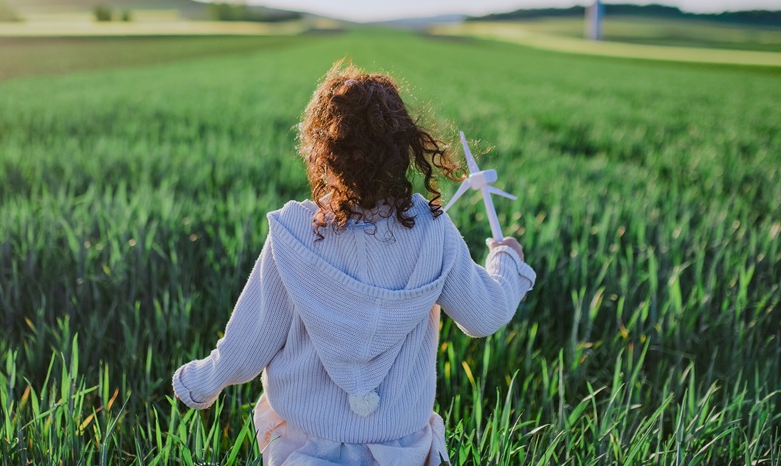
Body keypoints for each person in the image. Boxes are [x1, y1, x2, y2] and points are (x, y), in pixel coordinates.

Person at [172, 61, 536, 465]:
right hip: (400, 449)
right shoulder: (432, 231)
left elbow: (246, 346)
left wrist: (201, 384)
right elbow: (484, 315)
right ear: (403, 149)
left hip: (305, 445)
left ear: (322, 152)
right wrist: (505, 262)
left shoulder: (297, 237)